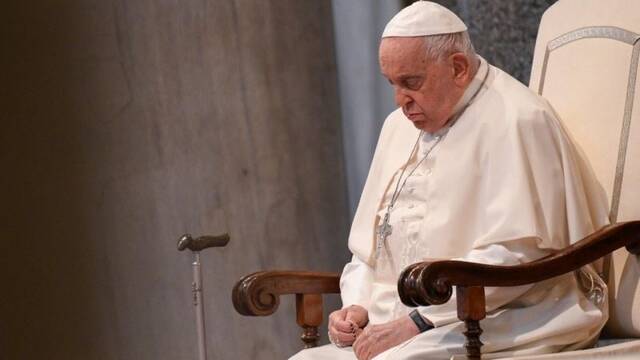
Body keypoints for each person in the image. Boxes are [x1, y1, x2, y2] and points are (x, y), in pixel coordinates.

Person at [291, 2, 609, 359]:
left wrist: (419, 321)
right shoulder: (397, 127)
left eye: (411, 82)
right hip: (405, 320)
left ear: (458, 68)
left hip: (511, 313)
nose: (400, 101)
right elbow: (369, 250)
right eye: (392, 84)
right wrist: (358, 306)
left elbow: (520, 254)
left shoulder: (517, 119)